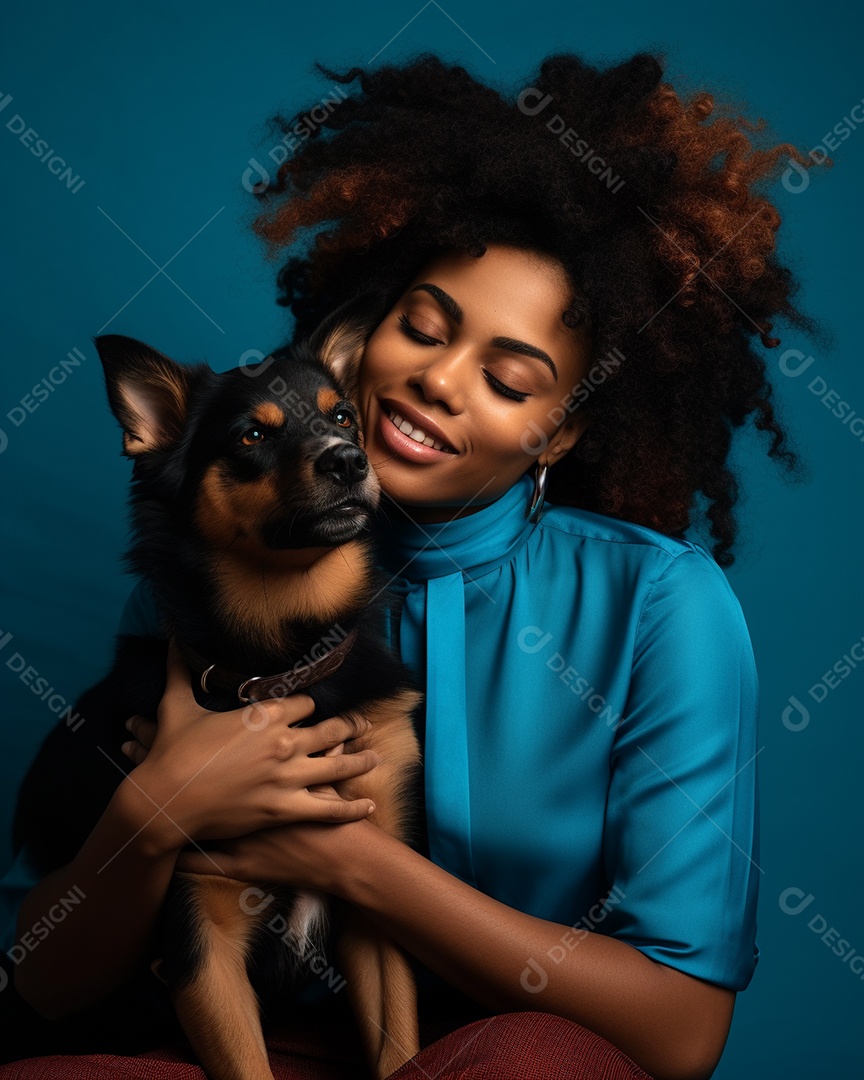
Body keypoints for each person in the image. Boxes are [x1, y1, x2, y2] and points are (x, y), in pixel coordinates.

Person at [0, 48, 827, 1080]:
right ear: (361, 336)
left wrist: (349, 860)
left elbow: (682, 1035)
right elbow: (42, 983)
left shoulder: (661, 606)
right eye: (421, 328)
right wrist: (152, 809)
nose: (437, 380)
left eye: (509, 378)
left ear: (560, 437)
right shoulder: (228, 564)